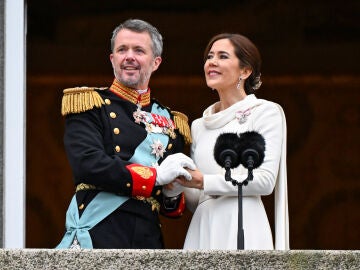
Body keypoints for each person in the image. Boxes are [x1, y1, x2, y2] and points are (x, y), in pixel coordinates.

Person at [56, 19, 195, 249]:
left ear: (156, 62)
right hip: (99, 232)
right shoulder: (89, 105)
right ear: (113, 59)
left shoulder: (172, 121)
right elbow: (88, 164)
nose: (129, 56)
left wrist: (172, 192)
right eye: (122, 50)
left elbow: (168, 207)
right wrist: (155, 177)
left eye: (139, 50)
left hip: (147, 239)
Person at [174, 33, 289, 250]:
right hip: (203, 224)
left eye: (223, 56)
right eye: (209, 56)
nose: (212, 62)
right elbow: (196, 198)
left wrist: (203, 181)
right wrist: (176, 182)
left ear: (245, 71)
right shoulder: (199, 125)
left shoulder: (265, 113)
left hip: (244, 220)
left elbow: (264, 181)